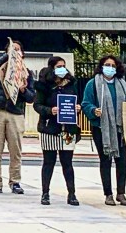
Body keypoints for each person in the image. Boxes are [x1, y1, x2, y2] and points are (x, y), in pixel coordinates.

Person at [0, 40, 36, 195]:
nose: (15, 52)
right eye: (12, 49)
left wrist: (23, 90)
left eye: (18, 50)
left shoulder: (27, 74)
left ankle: (15, 181)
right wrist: (8, 56)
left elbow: (31, 97)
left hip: (15, 113)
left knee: (15, 150)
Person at [82, 54, 126, 206]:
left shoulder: (122, 84)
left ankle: (121, 193)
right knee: (105, 160)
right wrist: (93, 110)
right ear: (101, 67)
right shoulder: (93, 84)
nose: (110, 68)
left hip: (121, 128)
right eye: (107, 65)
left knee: (122, 161)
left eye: (113, 66)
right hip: (101, 128)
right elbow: (85, 103)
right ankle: (108, 193)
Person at [33, 56, 80, 206]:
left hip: (67, 129)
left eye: (64, 66)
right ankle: (45, 193)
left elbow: (77, 101)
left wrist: (77, 108)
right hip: (50, 128)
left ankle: (71, 194)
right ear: (52, 68)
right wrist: (50, 110)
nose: (62, 69)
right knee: (49, 162)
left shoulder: (71, 84)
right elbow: (37, 105)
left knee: (68, 163)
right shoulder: (44, 85)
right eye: (59, 66)